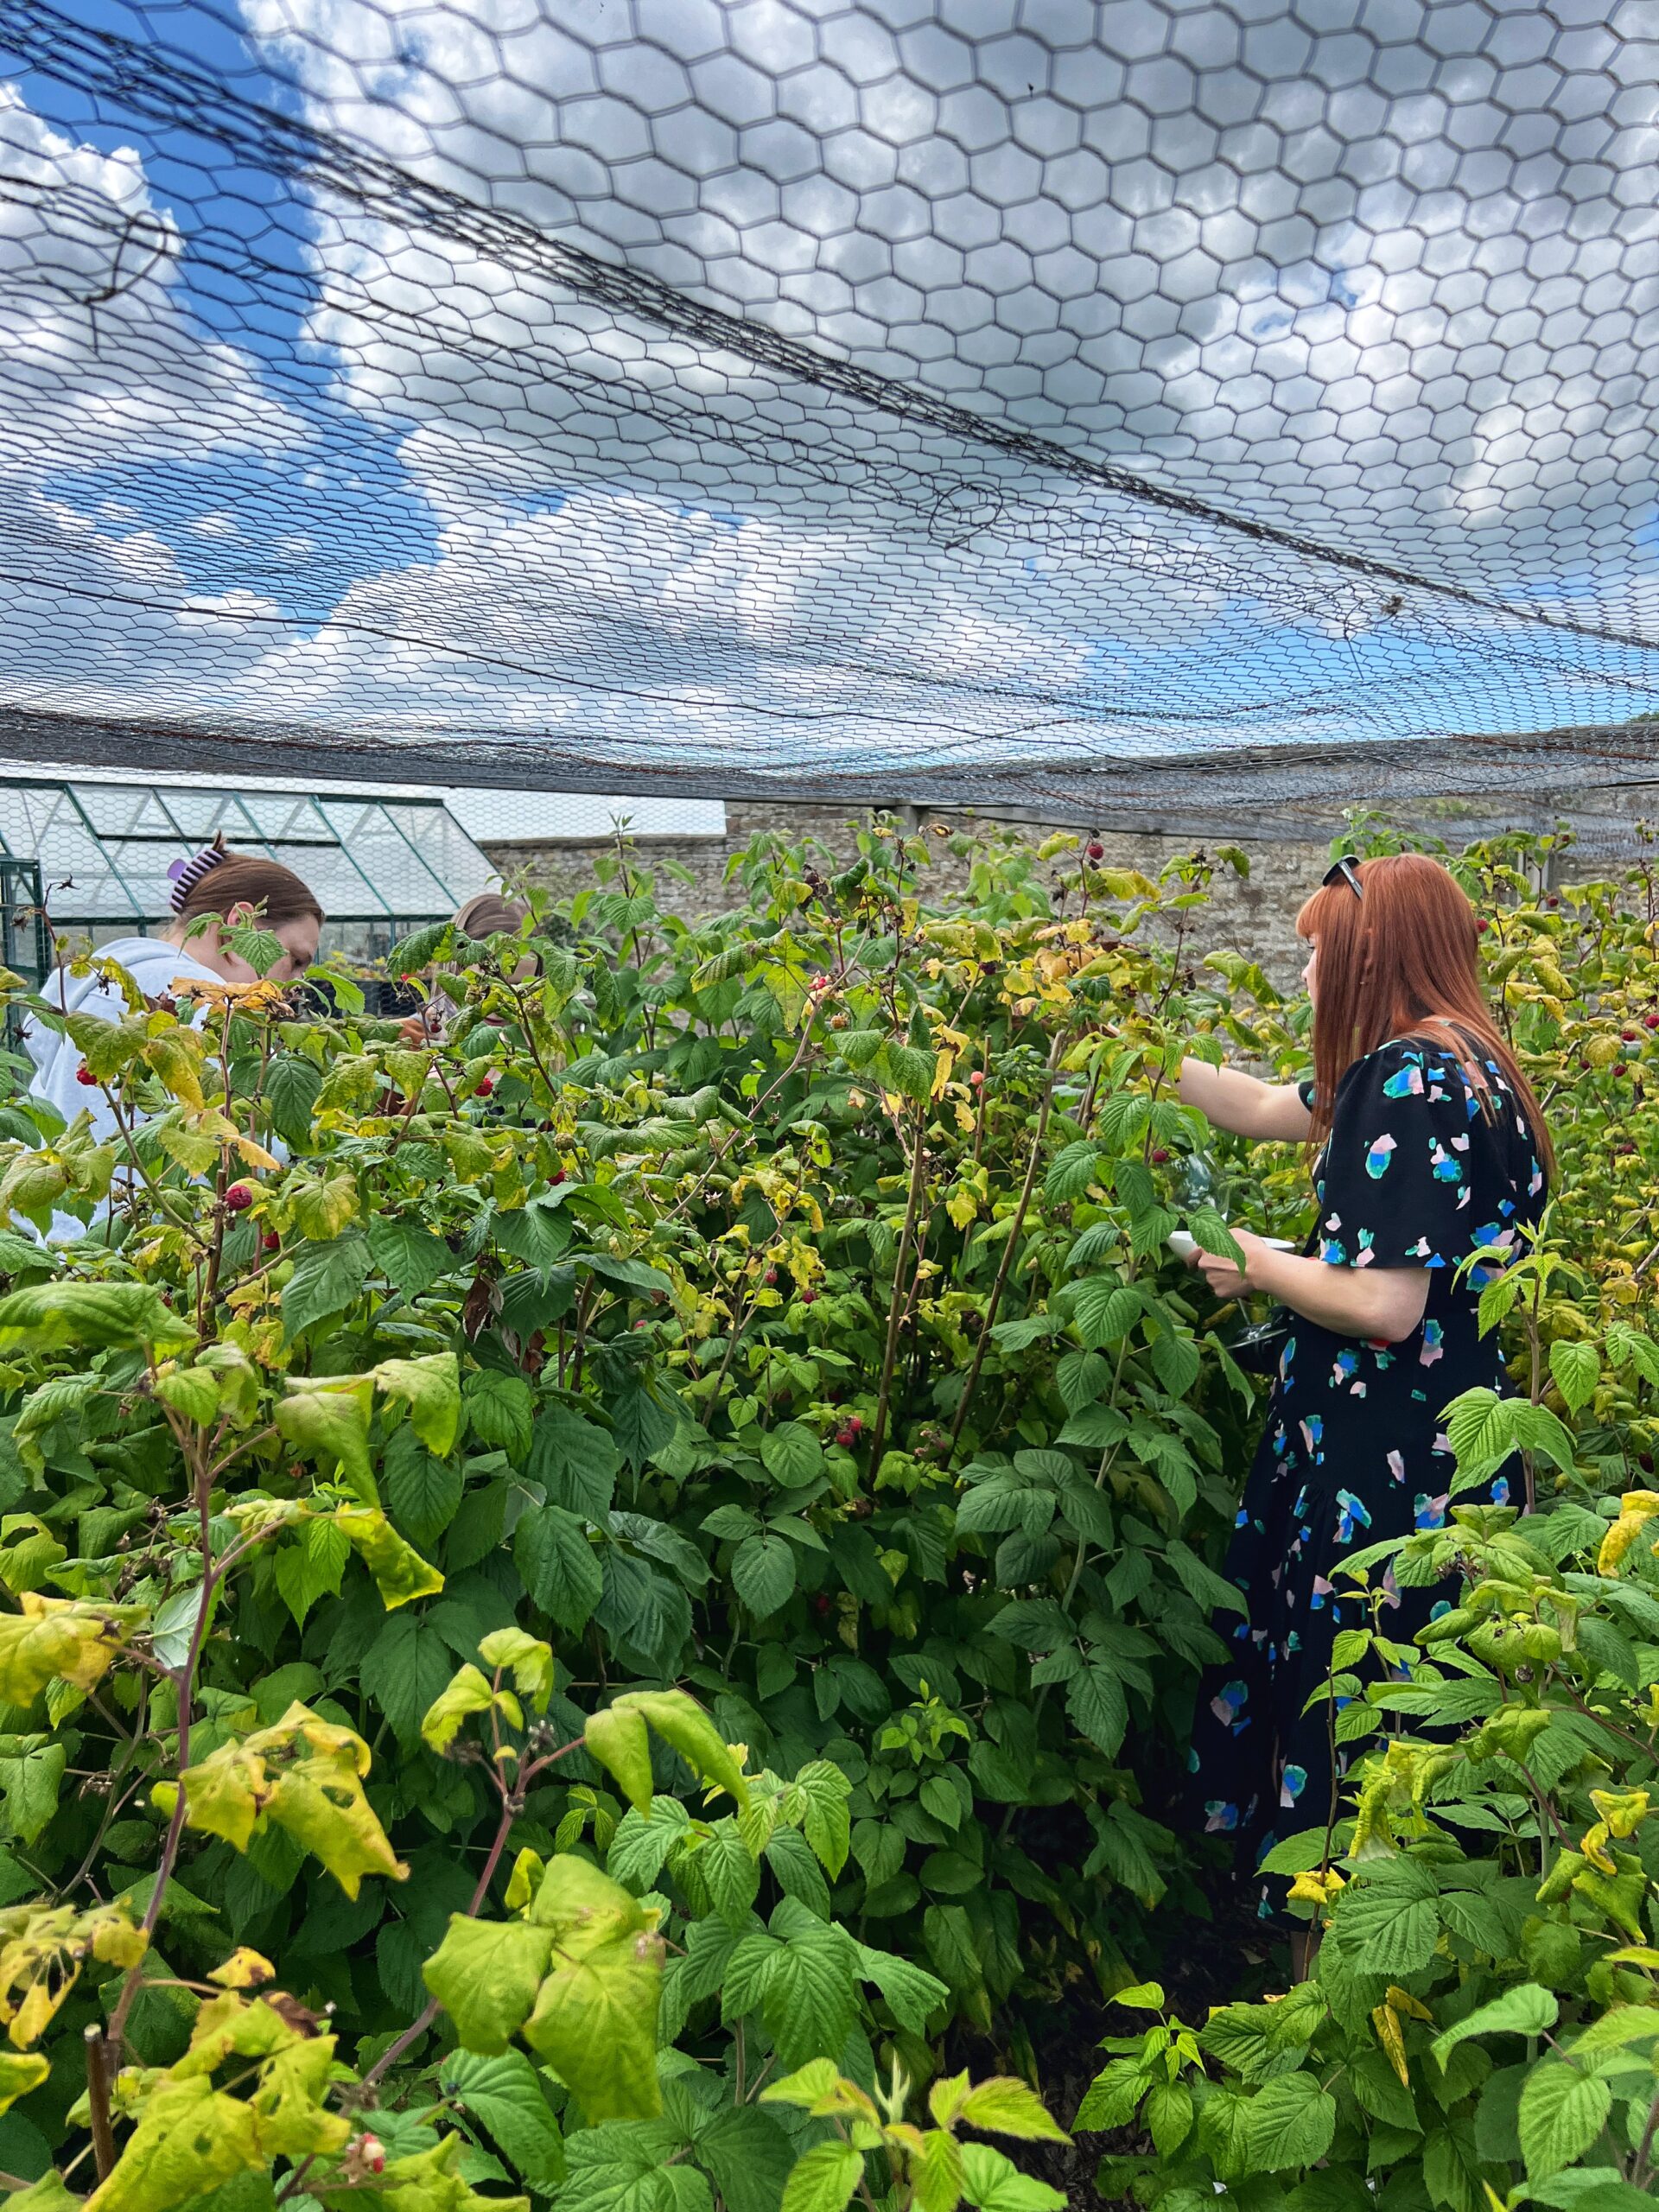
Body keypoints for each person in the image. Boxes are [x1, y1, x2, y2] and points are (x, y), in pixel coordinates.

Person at [1176, 852, 1553, 1945]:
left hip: (1382, 1469)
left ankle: (1335, 1981)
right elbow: (1250, 1102)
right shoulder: (1470, 1064)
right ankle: (1435, 1958)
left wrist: (1255, 1260)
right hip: (1453, 1459)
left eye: (1316, 951)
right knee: (1434, 1701)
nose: (1302, 973)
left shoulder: (1405, 1078)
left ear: (1369, 955)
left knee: (1361, 1705)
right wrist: (1136, 1056)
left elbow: (1386, 1304)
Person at [25, 833, 324, 1141]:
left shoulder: (108, 979)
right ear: (240, 924)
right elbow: (243, 1142)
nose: (293, 986)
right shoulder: (199, 1003)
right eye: (296, 960)